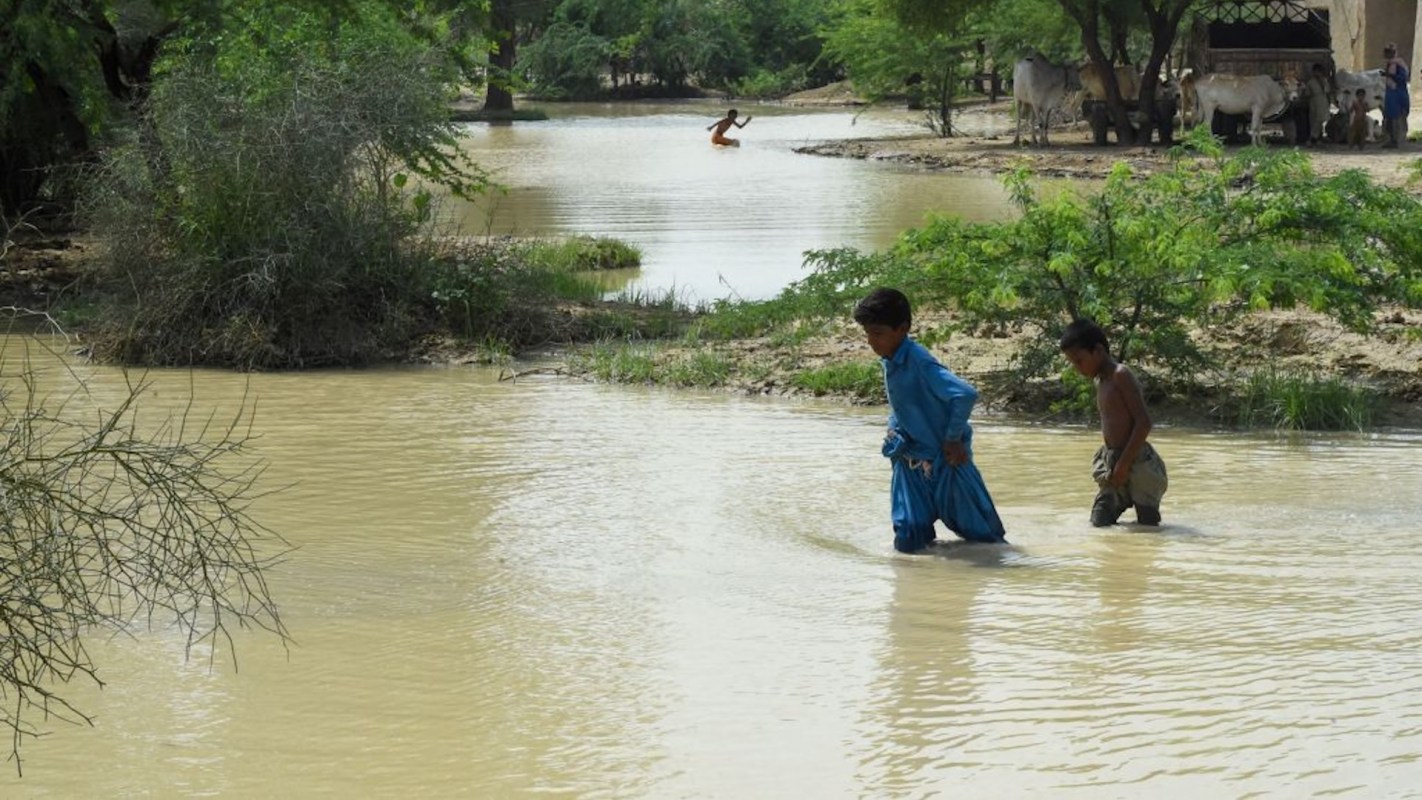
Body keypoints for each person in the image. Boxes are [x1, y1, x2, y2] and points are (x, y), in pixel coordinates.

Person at [853, 288, 1006, 553]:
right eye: (867, 333)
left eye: (877, 333)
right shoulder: (890, 360)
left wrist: (953, 438)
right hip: (910, 461)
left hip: (947, 462)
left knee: (985, 541)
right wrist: (894, 430)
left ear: (902, 329)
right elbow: (901, 403)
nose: (870, 341)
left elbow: (965, 394)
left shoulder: (920, 362)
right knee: (908, 540)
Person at [1059, 318, 1167, 527]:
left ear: (1098, 351)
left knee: (1147, 522)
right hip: (1112, 458)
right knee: (1099, 521)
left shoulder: (1120, 375)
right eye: (1073, 363)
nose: (1077, 368)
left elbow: (1143, 422)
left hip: (1136, 459)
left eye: (1079, 360)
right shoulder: (1101, 380)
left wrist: (1124, 465)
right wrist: (1115, 465)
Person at [1382, 43, 1410, 148]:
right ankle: (1391, 140)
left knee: (1397, 118)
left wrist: (1389, 75)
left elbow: (1402, 79)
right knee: (1389, 117)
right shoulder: (1390, 64)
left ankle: (1397, 140)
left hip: (1398, 94)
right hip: (1391, 94)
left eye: (1389, 52)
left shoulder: (1399, 64)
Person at [1305, 63, 1331, 145]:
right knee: (1314, 120)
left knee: (1321, 120)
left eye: (1319, 72)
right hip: (1314, 101)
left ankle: (1316, 137)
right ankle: (1313, 138)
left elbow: (1327, 91)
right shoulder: (1310, 82)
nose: (1317, 73)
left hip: (1323, 101)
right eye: (1316, 72)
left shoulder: (1324, 81)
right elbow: (1307, 93)